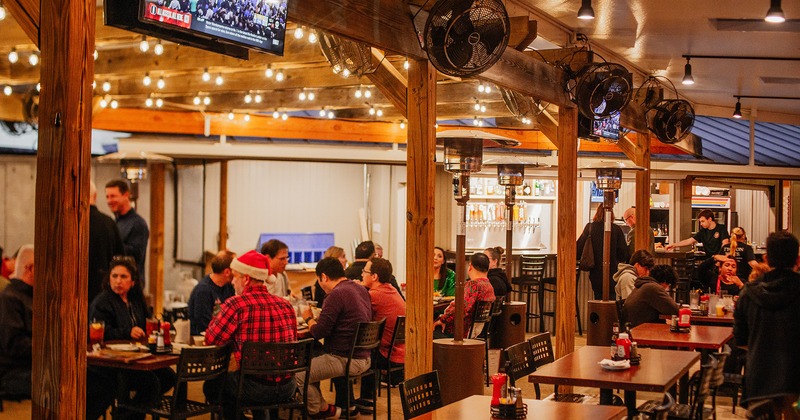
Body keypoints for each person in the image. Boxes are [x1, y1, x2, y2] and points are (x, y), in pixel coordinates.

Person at [203, 250, 298, 420]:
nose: (232, 281)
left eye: (235, 276)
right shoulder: (286, 305)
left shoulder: (236, 304)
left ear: (246, 279)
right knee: (250, 378)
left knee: (212, 386)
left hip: (255, 388)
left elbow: (211, 338)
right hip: (288, 386)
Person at [89, 256, 176, 420]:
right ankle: (126, 415)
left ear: (133, 281)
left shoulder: (136, 300)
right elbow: (99, 330)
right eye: (114, 276)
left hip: (138, 357)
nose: (118, 281)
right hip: (112, 363)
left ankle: (127, 414)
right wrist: (127, 332)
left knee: (169, 377)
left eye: (123, 277)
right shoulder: (102, 302)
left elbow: (147, 321)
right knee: (151, 384)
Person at [735, 230, 800, 418]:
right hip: (796, 377)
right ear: (797, 259)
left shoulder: (748, 292)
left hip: (760, 377)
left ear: (766, 258)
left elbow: (740, 339)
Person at [296, 257, 372, 419]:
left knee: (297, 376)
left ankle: (319, 409)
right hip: (364, 356)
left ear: (323, 277)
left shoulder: (336, 294)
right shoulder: (360, 289)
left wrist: (308, 318)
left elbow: (318, 332)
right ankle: (322, 407)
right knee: (313, 356)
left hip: (345, 358)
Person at [354, 257, 405, 415]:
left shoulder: (374, 295)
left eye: (365, 271)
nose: (362, 274)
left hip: (388, 354)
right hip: (400, 349)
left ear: (374, 276)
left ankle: (352, 402)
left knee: (345, 353)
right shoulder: (391, 289)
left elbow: (357, 318)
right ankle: (367, 399)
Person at [434, 253, 495, 339]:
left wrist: (443, 319)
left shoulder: (473, 285)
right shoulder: (488, 285)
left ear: (470, 266)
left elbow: (460, 308)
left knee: (429, 331)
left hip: (460, 333)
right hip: (476, 331)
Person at [0, 244, 33, 399]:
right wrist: (50, 348)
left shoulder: (32, 295)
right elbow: (15, 344)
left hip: (32, 365)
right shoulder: (10, 297)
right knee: (62, 380)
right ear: (30, 268)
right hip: (13, 371)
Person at [576, 206, 630, 300]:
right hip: (613, 274)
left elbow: (578, 250)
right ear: (611, 214)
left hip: (595, 274)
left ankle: (599, 314)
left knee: (598, 299)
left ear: (597, 213)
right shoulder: (616, 229)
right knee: (612, 301)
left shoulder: (590, 228)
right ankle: (608, 315)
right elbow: (623, 254)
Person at [106, 179, 150, 286]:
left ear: (126, 195)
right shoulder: (115, 222)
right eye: (107, 197)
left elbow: (135, 256)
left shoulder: (137, 224)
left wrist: (109, 244)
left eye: (113, 196)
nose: (109, 201)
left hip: (131, 286)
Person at [88, 181, 125, 308]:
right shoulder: (108, 223)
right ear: (95, 195)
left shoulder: (70, 224)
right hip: (104, 293)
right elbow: (121, 259)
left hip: (72, 294)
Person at [188, 249, 236, 335]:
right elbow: (203, 326)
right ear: (227, 272)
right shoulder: (203, 291)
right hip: (205, 342)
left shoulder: (229, 287)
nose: (237, 272)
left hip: (221, 337)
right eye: (235, 269)